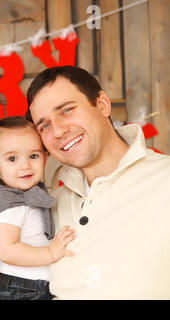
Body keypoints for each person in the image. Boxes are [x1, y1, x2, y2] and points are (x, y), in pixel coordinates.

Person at [26, 66, 170, 299]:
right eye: (44, 126)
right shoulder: (49, 200)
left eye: (67, 110)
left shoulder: (164, 178)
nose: (59, 131)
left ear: (102, 104)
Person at [0, 116, 76, 300]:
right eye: (12, 158)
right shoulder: (10, 205)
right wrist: (50, 253)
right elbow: (7, 251)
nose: (25, 165)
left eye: (33, 156)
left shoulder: (32, 194)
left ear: (45, 158)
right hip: (19, 290)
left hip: (32, 287)